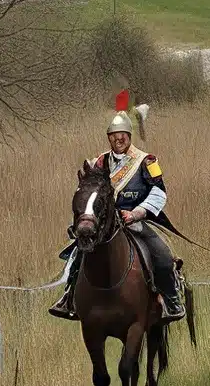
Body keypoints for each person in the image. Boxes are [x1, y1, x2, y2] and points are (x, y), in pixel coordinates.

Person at [50, 102, 185, 323]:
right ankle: (68, 298)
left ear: (129, 136)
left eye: (122, 135)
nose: (118, 139)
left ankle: (172, 301)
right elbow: (87, 192)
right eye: (113, 136)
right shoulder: (98, 162)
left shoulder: (147, 160)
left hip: (134, 220)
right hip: (104, 223)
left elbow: (159, 192)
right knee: (79, 253)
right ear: (108, 137)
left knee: (161, 254)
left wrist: (137, 213)